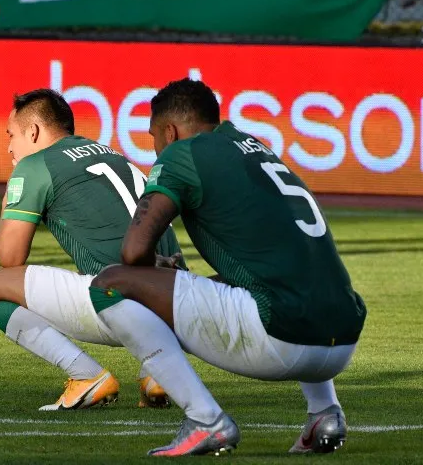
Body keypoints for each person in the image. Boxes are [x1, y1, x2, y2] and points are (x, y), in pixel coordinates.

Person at [87, 79, 367, 456]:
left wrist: (157, 270)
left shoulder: (181, 152)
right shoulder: (254, 148)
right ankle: (325, 413)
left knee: (110, 283)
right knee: (275, 280)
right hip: (343, 336)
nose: (154, 148)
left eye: (153, 137)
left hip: (284, 336)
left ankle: (205, 419)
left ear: (170, 131)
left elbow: (133, 252)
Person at [0, 89, 184, 410]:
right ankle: (158, 369)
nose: (9, 146)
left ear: (33, 132)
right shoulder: (110, 153)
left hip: (122, 300)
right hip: (179, 301)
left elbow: (10, 256)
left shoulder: (35, 165)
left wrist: (10, 196)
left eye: (11, 135)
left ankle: (86, 375)